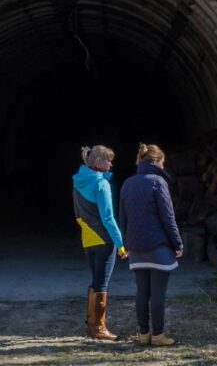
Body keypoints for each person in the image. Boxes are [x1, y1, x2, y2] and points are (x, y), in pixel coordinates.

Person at [119, 143, 183, 346]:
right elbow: (168, 217)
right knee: (158, 294)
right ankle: (158, 335)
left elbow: (122, 216)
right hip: (157, 247)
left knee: (142, 292)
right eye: (162, 163)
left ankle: (143, 333)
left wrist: (124, 244)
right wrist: (177, 243)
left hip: (135, 247)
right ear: (155, 162)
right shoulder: (158, 182)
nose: (164, 167)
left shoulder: (128, 183)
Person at [73, 145, 127, 340]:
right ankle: (99, 329)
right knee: (102, 284)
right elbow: (108, 217)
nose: (111, 164)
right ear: (98, 161)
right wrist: (120, 244)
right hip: (104, 238)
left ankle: (91, 322)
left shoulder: (77, 181)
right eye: (108, 160)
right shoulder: (101, 184)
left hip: (87, 237)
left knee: (96, 280)